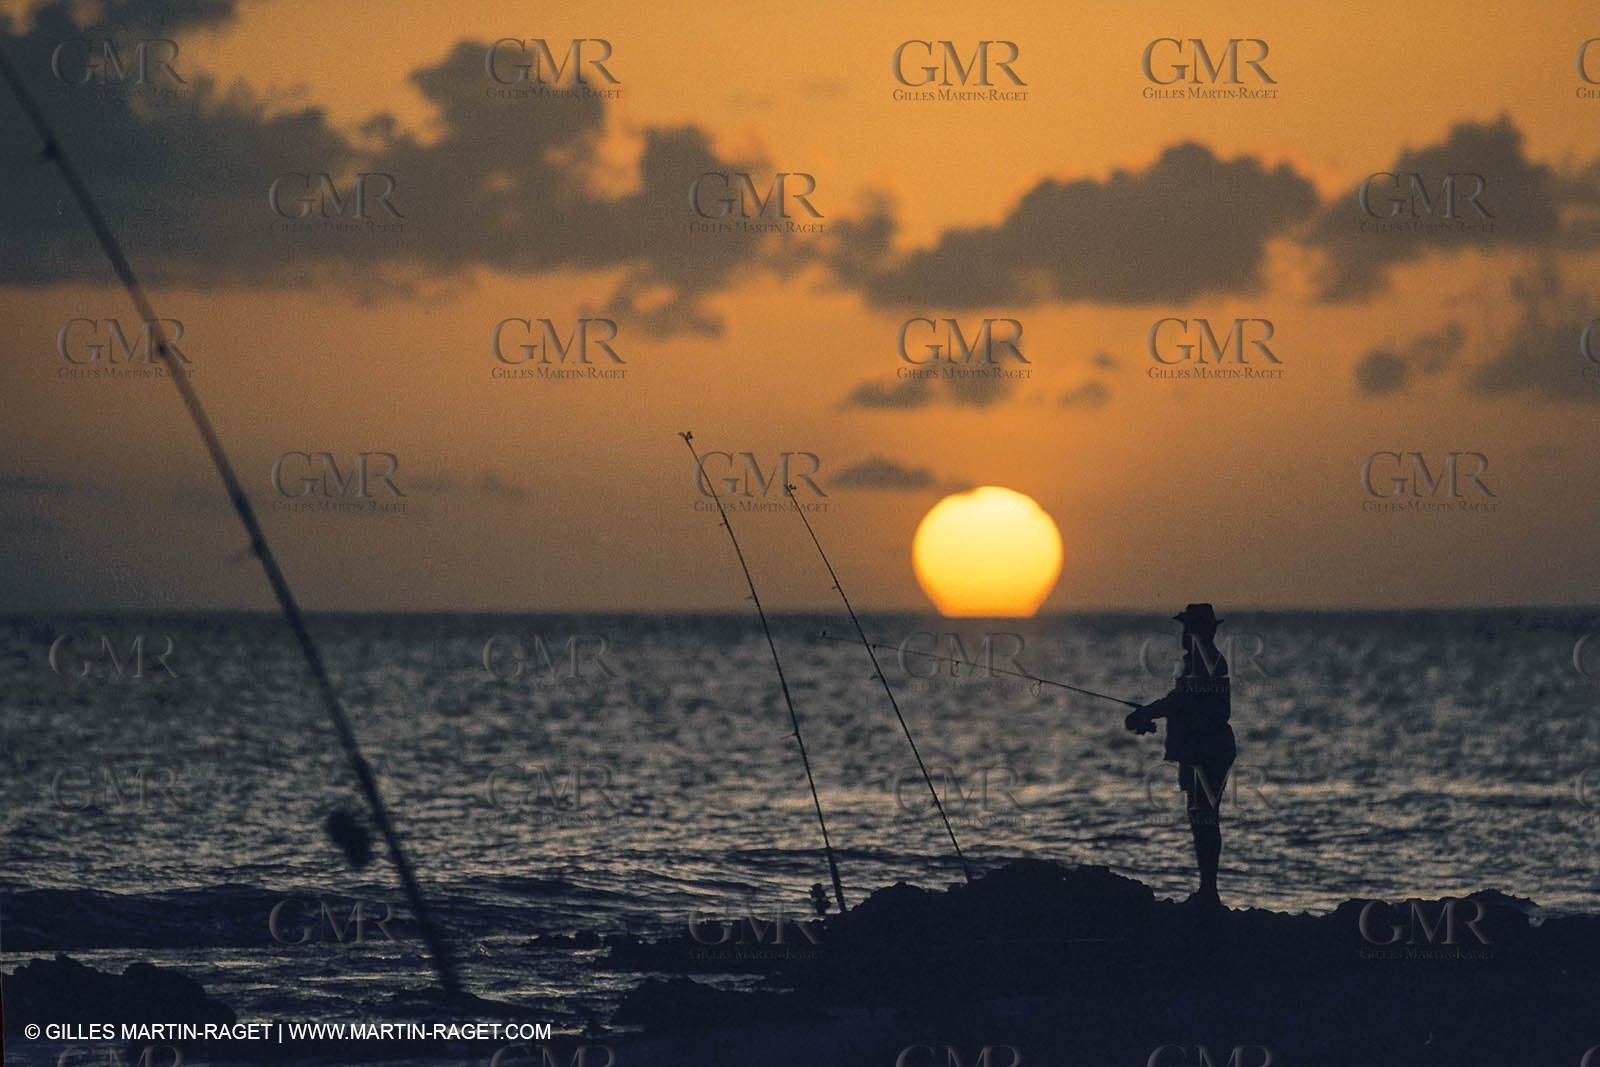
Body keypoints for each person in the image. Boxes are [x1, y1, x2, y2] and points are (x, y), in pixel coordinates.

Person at [1125, 603, 1237, 909]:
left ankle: (1208, 892)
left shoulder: (1204, 661)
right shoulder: (1201, 660)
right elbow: (1183, 703)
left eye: (1188, 627)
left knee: (1204, 818)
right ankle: (1207, 890)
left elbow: (1181, 700)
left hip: (1207, 751)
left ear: (1201, 630)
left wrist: (1147, 712)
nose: (1183, 634)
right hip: (1203, 750)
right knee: (1202, 817)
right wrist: (1150, 715)